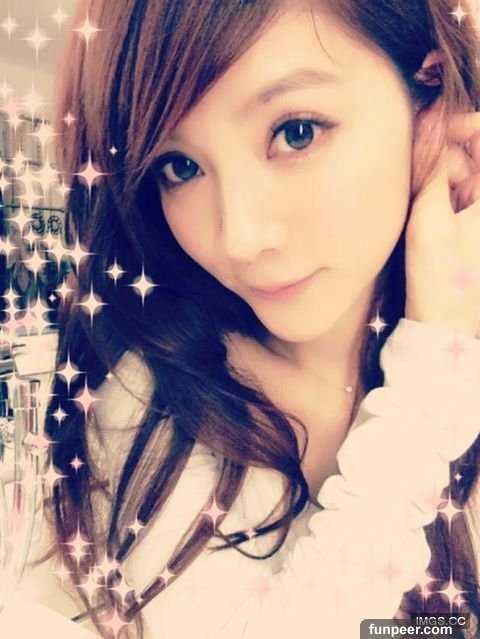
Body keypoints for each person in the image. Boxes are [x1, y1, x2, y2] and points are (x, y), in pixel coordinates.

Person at [2, 0, 480, 638]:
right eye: (181, 167)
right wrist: (431, 380)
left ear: (432, 104)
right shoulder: (159, 406)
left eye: (296, 132)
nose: (240, 237)